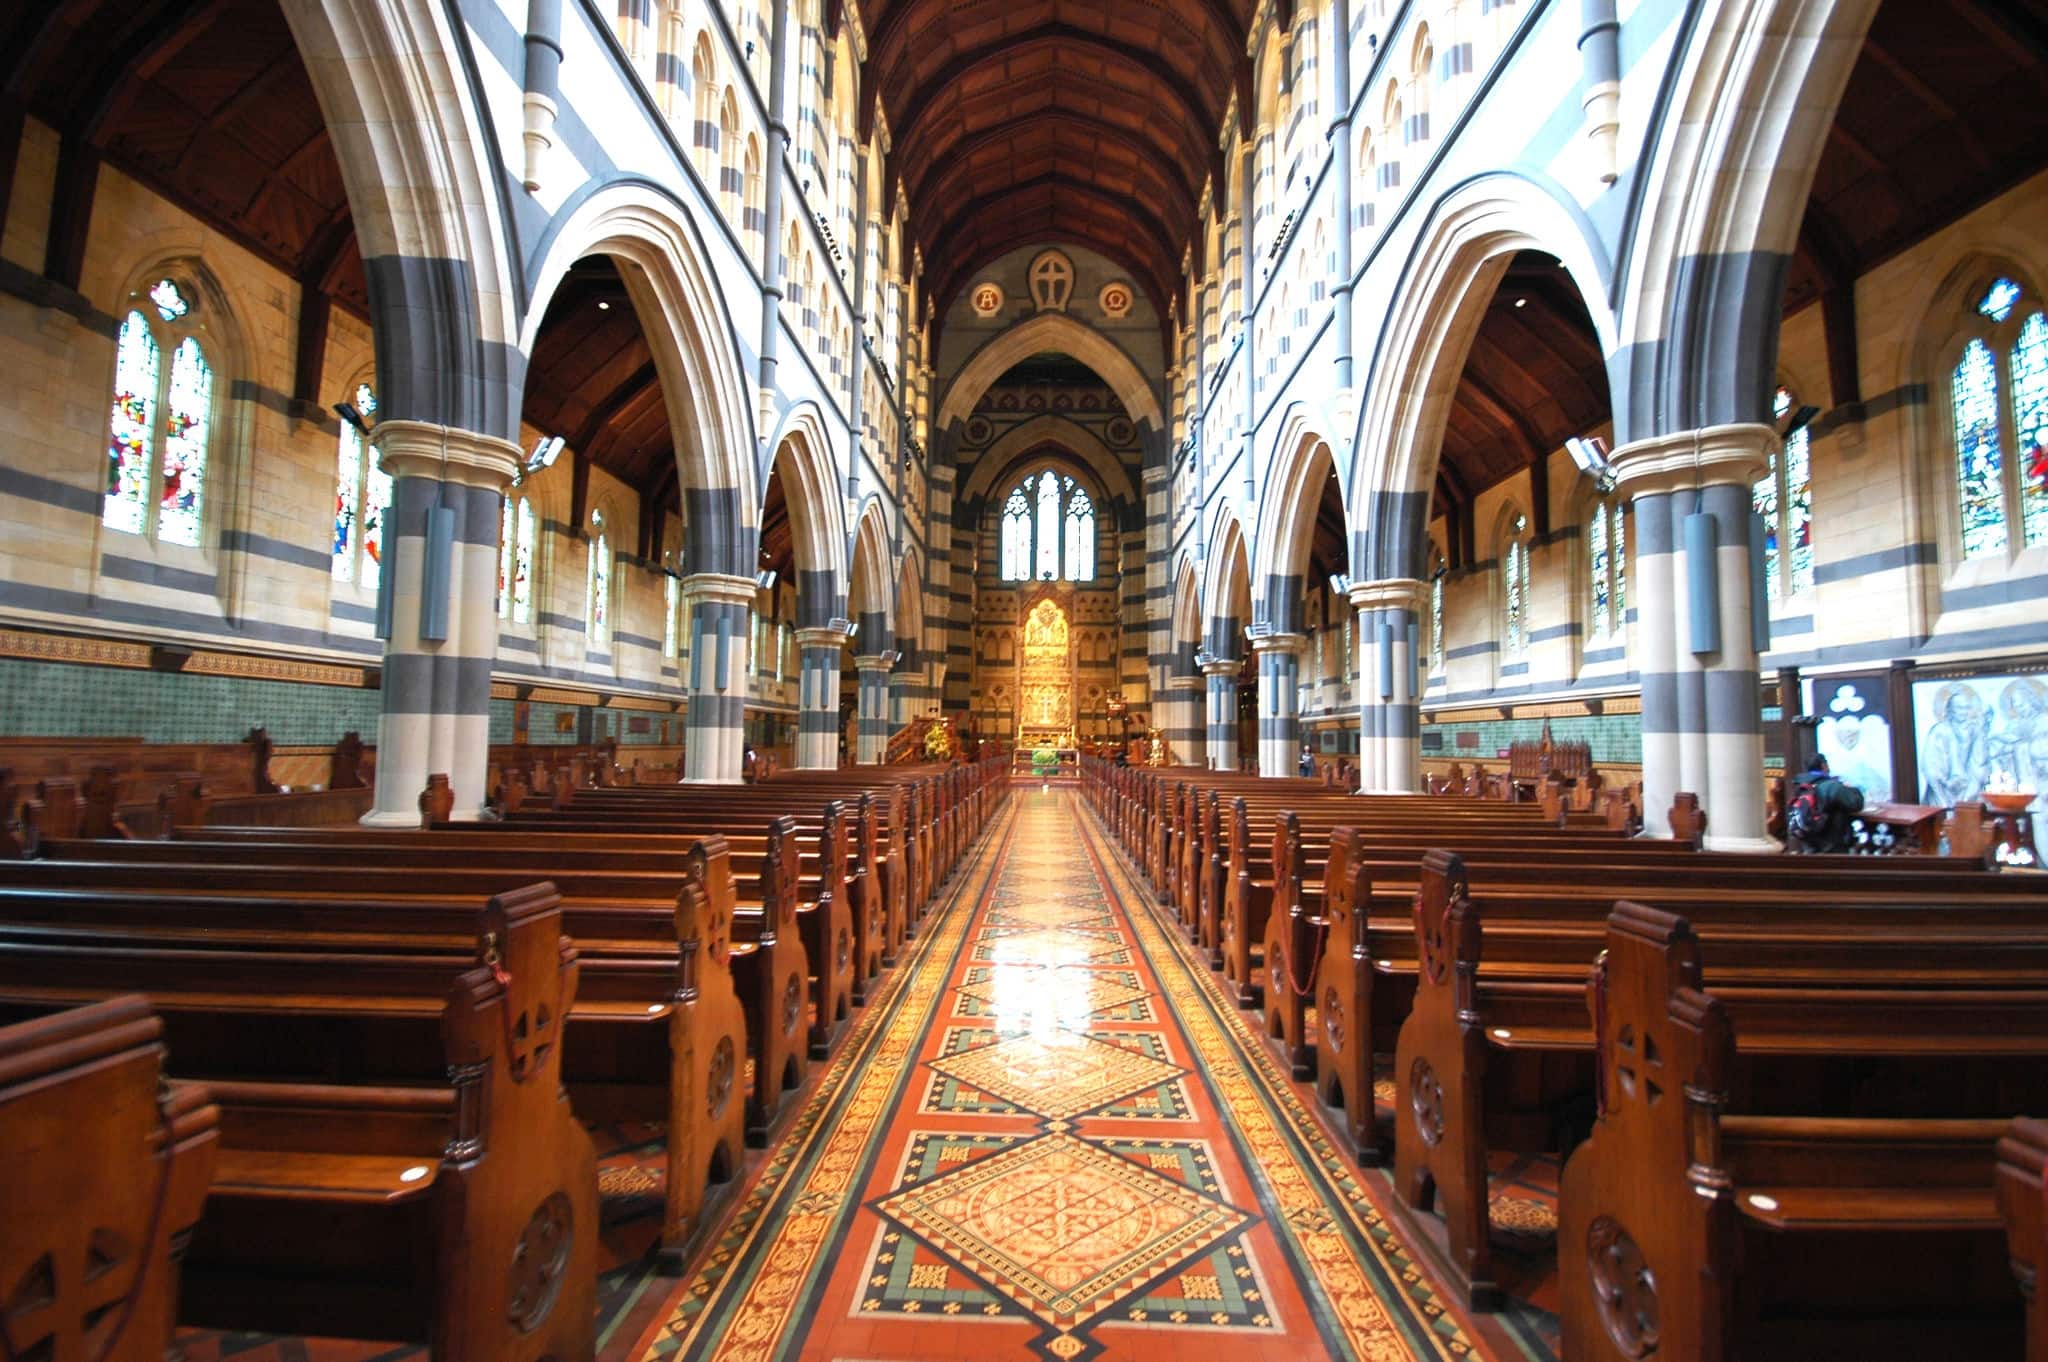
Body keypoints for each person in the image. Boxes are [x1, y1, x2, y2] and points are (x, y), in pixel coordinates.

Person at [1786, 752, 1865, 853]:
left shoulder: (1800, 786)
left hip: (1809, 843)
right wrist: (1853, 789)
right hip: (1831, 844)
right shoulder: (1831, 786)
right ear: (1824, 765)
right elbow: (1856, 803)